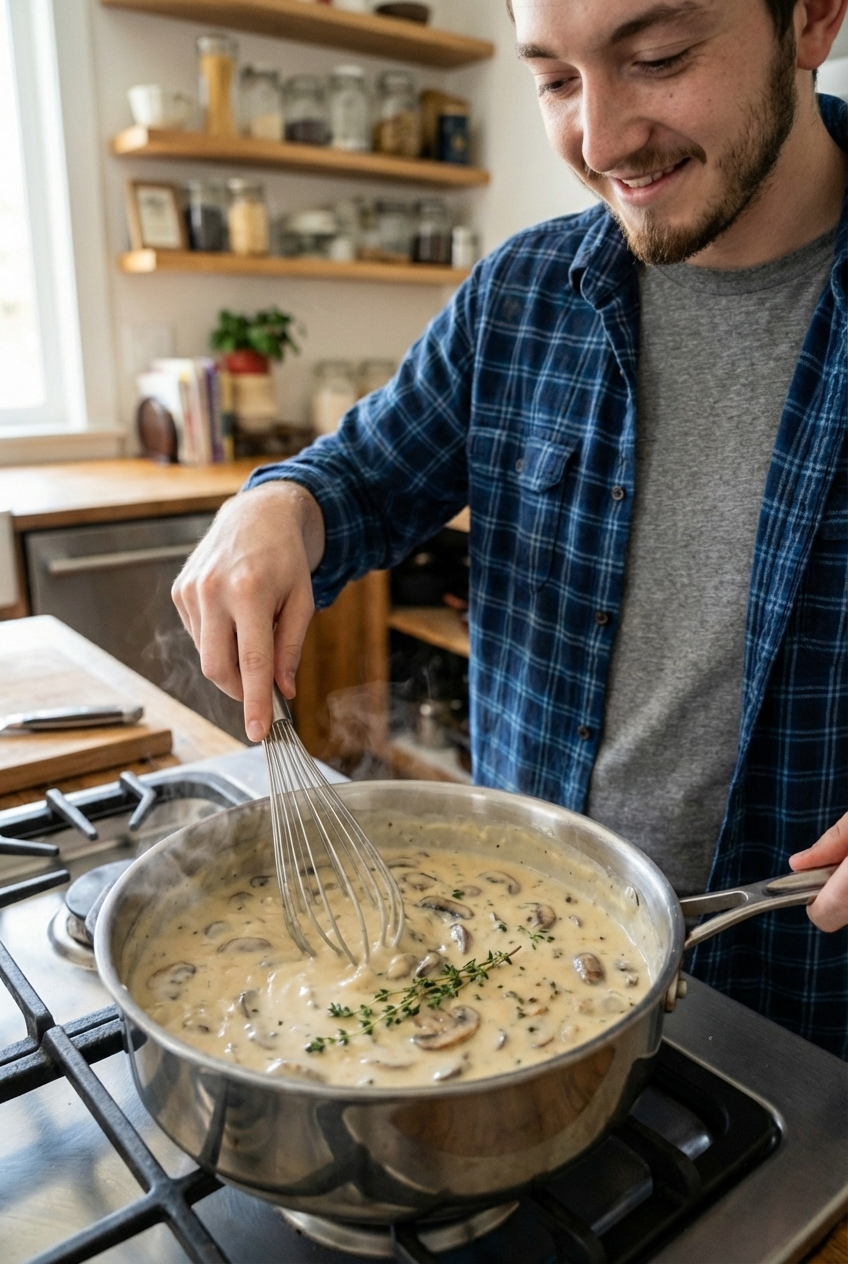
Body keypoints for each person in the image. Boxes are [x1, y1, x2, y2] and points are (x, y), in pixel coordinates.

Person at [173, 0, 848, 1057]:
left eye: (657, 58)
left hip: (800, 1015)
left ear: (810, 17)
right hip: (519, 979)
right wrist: (276, 507)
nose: (599, 138)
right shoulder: (521, 294)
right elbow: (358, 478)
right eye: (552, 80)